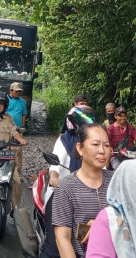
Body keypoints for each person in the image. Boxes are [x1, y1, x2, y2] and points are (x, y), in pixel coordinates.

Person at [40, 106, 97, 258]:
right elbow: (55, 163)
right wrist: (53, 176)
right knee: (53, 248)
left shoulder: (96, 143)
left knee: (89, 240)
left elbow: (103, 168)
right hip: (61, 192)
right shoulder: (65, 140)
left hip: (87, 195)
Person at [52, 123, 113, 258]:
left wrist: (100, 224)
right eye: (95, 144)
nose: (102, 150)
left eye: (107, 145)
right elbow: (63, 239)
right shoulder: (66, 188)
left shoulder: (117, 182)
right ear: (80, 148)